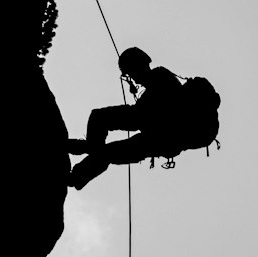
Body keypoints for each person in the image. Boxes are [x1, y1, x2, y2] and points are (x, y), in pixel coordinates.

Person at [68, 48, 185, 190]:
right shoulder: (160, 79)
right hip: (160, 140)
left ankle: (81, 162)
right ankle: (77, 174)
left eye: (129, 73)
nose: (131, 78)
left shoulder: (160, 78)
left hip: (158, 138)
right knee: (106, 152)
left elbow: (141, 116)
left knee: (100, 120)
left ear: (136, 67)